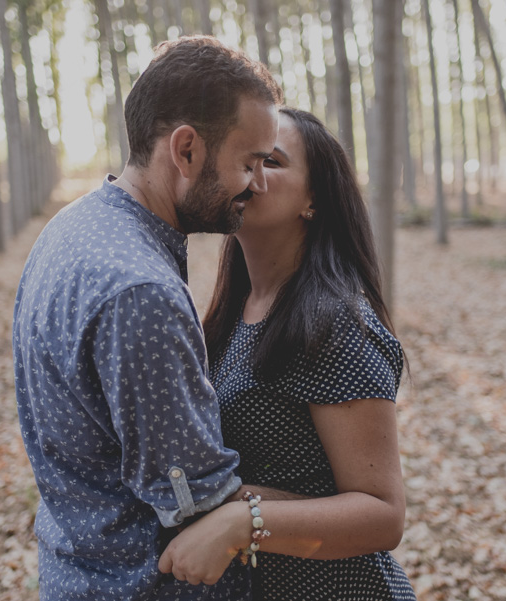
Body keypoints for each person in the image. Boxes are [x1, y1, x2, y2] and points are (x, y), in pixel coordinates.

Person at [12, 36, 281, 601]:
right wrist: (358, 513)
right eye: (249, 162)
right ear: (186, 150)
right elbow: (199, 505)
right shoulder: (142, 294)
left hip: (75, 574)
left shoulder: (74, 226)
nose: (257, 184)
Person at [158, 108, 417, 600]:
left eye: (270, 162)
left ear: (314, 198)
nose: (248, 175)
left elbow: (383, 514)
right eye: (244, 158)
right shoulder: (236, 312)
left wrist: (243, 521)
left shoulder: (333, 321)